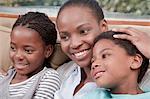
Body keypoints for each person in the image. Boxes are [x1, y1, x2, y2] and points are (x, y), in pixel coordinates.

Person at [54, 0, 150, 99]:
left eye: (83, 31)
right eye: (64, 37)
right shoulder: (64, 72)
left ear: (103, 27)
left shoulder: (137, 78)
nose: (74, 44)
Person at [0, 12, 60, 99]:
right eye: (13, 48)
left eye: (28, 51)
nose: (18, 56)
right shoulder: (7, 75)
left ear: (48, 51)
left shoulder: (48, 78)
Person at [83, 31, 150, 99]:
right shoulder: (94, 96)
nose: (94, 64)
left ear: (135, 61)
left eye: (104, 56)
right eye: (93, 61)